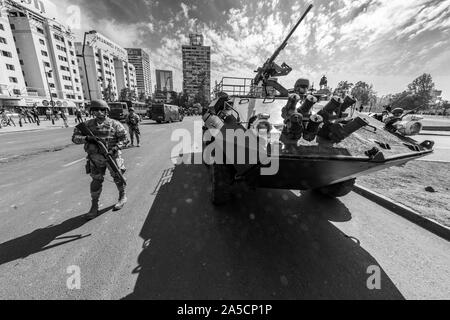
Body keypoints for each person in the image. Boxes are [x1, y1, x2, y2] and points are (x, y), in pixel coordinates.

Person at [72, 100, 129, 220]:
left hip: (112, 157)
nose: (99, 112)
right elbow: (75, 138)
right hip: (95, 159)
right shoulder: (87, 125)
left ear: (106, 111)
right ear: (92, 111)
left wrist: (116, 147)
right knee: (96, 181)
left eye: (102, 110)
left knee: (118, 177)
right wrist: (87, 138)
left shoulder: (114, 124)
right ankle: (94, 205)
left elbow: (125, 139)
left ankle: (122, 196)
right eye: (96, 110)